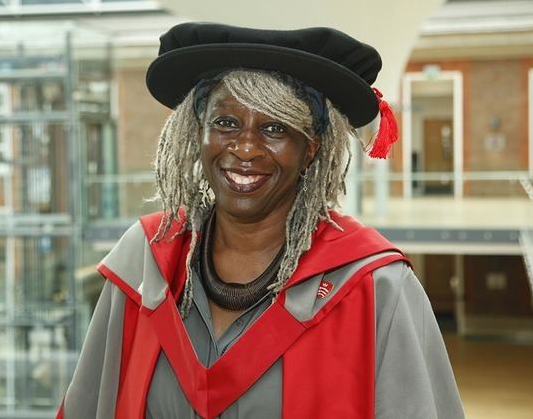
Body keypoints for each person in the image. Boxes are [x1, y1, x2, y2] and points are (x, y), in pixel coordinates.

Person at [57, 23, 464, 419]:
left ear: (311, 149)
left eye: (274, 128)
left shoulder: (375, 288)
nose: (246, 148)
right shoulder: (145, 263)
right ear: (199, 132)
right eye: (226, 123)